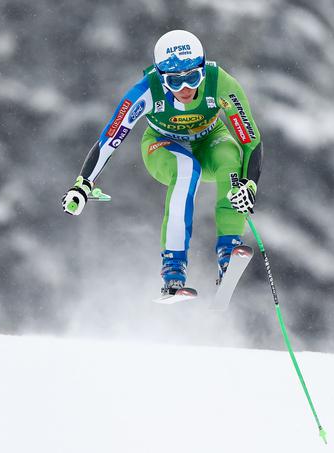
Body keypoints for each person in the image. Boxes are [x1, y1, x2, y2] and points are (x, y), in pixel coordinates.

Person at [62, 30, 263, 297]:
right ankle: (173, 269)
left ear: (203, 70)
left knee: (230, 157)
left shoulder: (221, 84)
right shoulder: (145, 91)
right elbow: (110, 139)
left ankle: (228, 250)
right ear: (160, 77)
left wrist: (250, 184)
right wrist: (83, 184)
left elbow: (251, 140)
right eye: (174, 82)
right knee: (186, 170)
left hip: (209, 139)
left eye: (192, 77)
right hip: (163, 146)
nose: (185, 89)